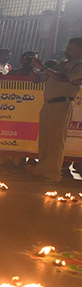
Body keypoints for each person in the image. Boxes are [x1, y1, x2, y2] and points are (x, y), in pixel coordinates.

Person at [33, 39, 82, 181]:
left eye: (71, 48)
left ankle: (52, 173)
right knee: (44, 139)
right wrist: (33, 68)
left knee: (56, 141)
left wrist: (43, 68)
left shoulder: (79, 66)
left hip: (62, 104)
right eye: (68, 47)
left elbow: (63, 78)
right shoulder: (61, 64)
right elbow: (39, 79)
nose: (67, 51)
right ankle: (41, 169)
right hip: (48, 104)